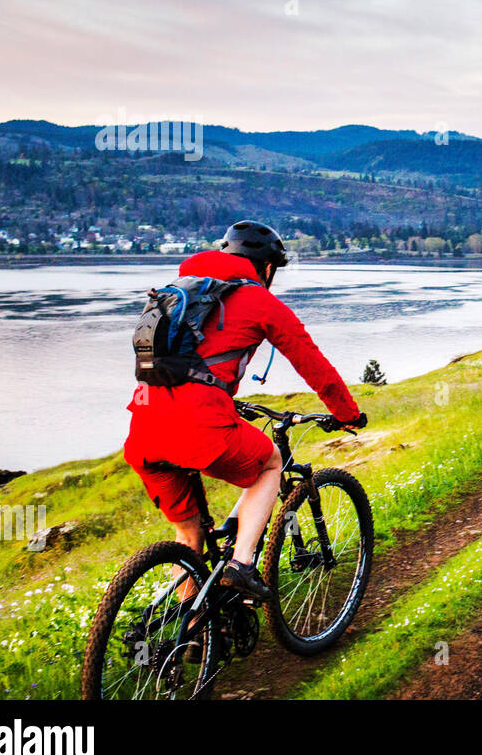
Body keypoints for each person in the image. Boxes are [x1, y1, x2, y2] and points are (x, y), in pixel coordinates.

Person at [123, 220, 366, 601]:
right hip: (201, 426)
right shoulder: (259, 301)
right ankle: (241, 565)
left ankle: (190, 636)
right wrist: (348, 413)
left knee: (189, 536)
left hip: (144, 428)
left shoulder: (179, 293)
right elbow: (312, 364)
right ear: (267, 268)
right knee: (271, 463)